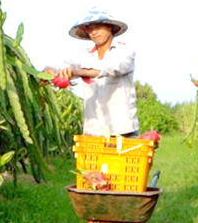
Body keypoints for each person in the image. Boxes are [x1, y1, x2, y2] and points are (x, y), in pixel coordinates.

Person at [44, 8, 139, 138]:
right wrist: (49, 71)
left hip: (122, 130)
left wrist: (78, 72)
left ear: (110, 27)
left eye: (98, 27)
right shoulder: (84, 54)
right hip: (93, 131)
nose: (94, 32)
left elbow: (112, 68)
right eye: (90, 29)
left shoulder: (125, 50)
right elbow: (65, 64)